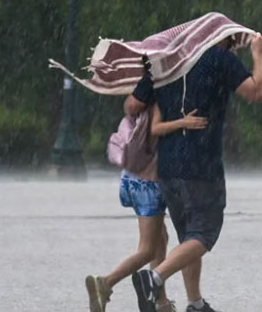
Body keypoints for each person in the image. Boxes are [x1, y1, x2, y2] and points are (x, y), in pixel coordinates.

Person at [123, 33, 262, 312]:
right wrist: (258, 55)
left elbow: (131, 105)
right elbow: (257, 92)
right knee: (204, 233)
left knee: (188, 237)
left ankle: (196, 303)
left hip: (168, 168)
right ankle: (153, 279)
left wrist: (159, 94)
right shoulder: (219, 59)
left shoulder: (166, 63)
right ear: (222, 40)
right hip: (202, 165)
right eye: (231, 43)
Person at [84, 105, 208, 312]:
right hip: (148, 183)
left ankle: (160, 303)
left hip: (133, 176)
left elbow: (130, 107)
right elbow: (156, 129)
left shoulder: (142, 92)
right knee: (148, 249)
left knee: (161, 238)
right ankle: (105, 283)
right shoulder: (160, 92)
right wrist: (183, 123)